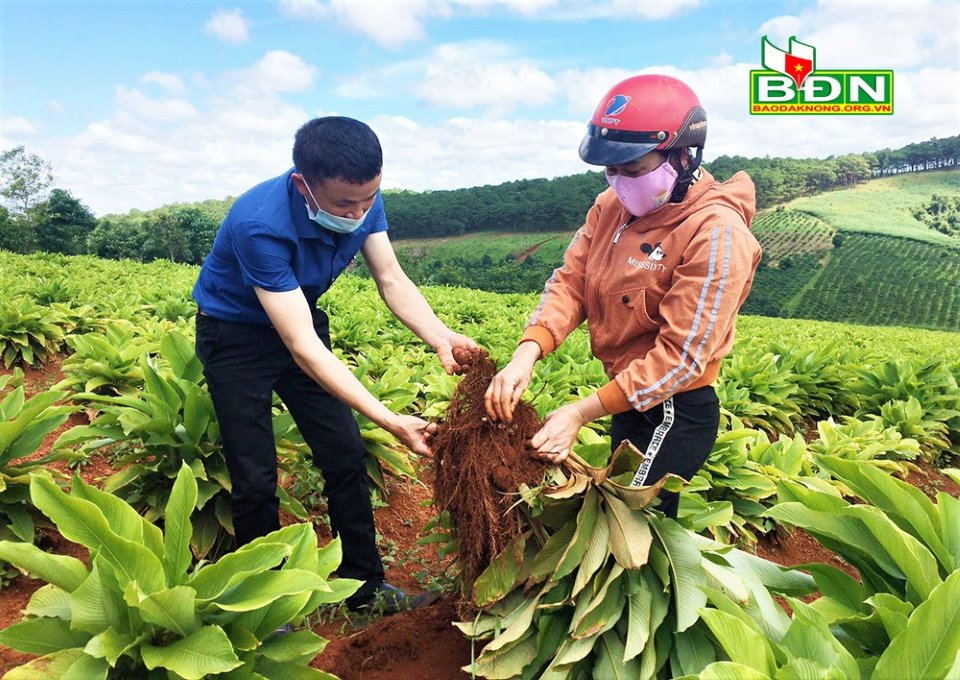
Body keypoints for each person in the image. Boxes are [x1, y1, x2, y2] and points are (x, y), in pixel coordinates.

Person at [192, 116, 478, 612]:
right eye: (346, 203)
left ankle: (366, 590)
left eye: (370, 198)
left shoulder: (362, 196)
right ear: (303, 184)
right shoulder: (258, 223)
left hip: (300, 318)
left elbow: (390, 278)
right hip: (236, 336)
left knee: (345, 455)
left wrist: (440, 337)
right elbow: (301, 346)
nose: (360, 211)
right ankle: (264, 605)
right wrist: (388, 419)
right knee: (255, 476)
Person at [485, 75, 761, 518]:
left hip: (674, 409)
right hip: (627, 398)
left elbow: (682, 356)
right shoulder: (611, 207)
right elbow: (571, 280)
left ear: (681, 156)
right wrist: (527, 353)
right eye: (611, 170)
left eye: (633, 170)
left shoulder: (718, 235)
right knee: (618, 520)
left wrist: (579, 413)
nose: (619, 182)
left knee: (628, 521)